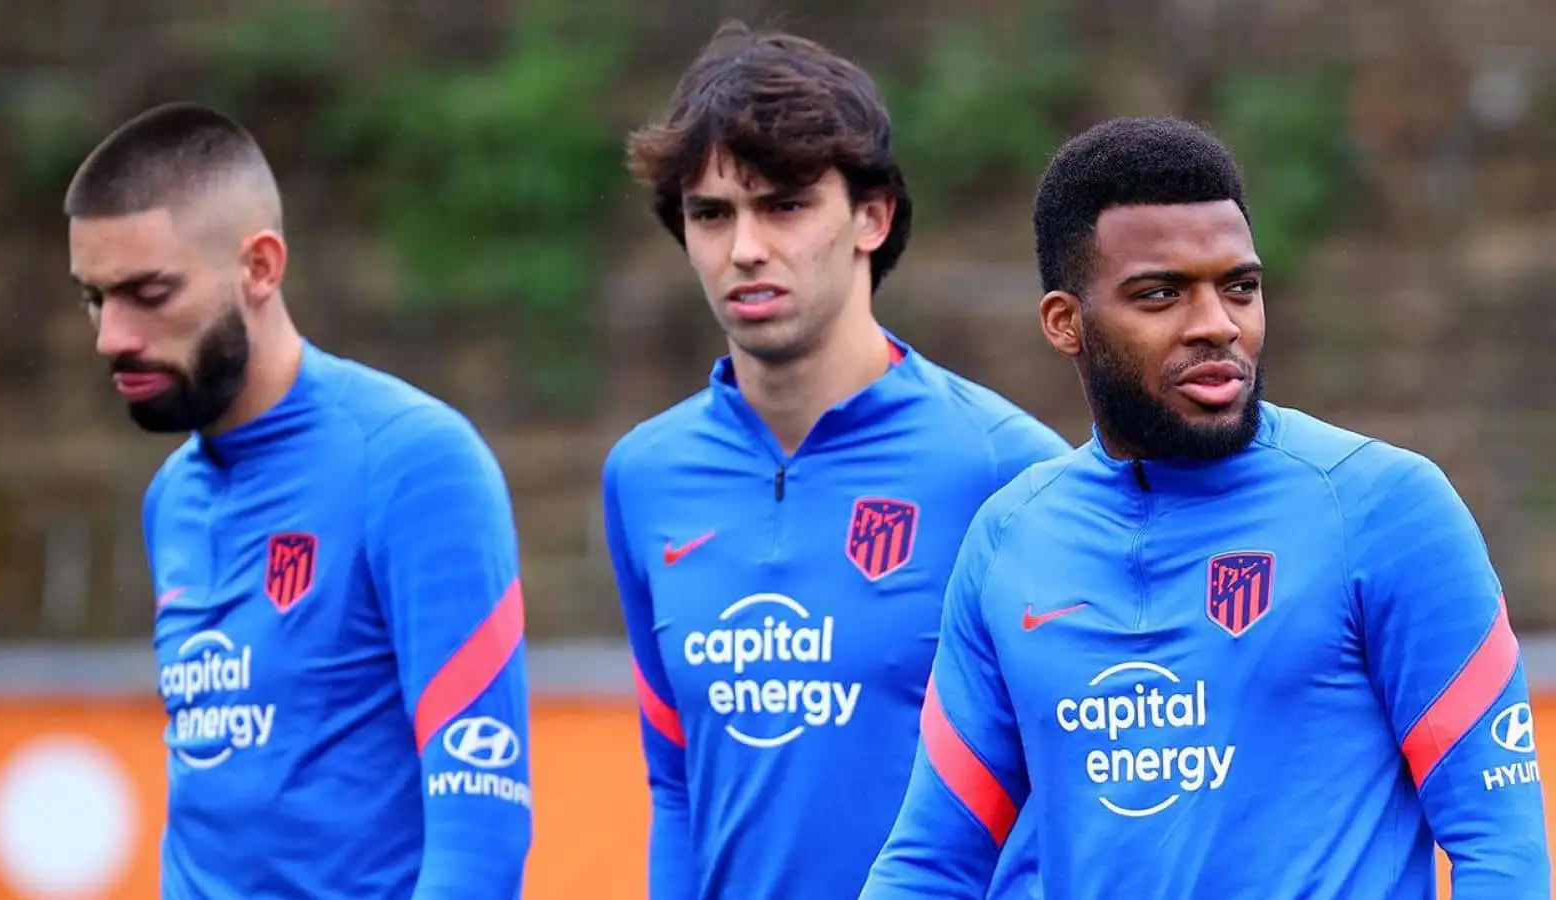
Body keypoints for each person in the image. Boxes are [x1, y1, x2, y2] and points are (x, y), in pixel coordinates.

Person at [860, 115, 1551, 898]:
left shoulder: (1387, 510)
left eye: (1240, 288)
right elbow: (932, 861)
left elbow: (1502, 849)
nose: (1217, 325)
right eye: (1161, 295)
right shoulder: (1010, 537)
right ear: (1066, 323)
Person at [601, 20, 1070, 900]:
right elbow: (674, 784)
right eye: (712, 214)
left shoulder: (1008, 468)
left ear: (871, 217)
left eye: (783, 205)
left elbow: (1068, 786)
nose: (745, 248)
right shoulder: (644, 475)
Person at [64, 102, 532, 899]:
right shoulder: (170, 498)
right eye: (94, 298)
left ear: (260, 267)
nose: (112, 335)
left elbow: (480, 834)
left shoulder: (414, 463)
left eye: (149, 292)